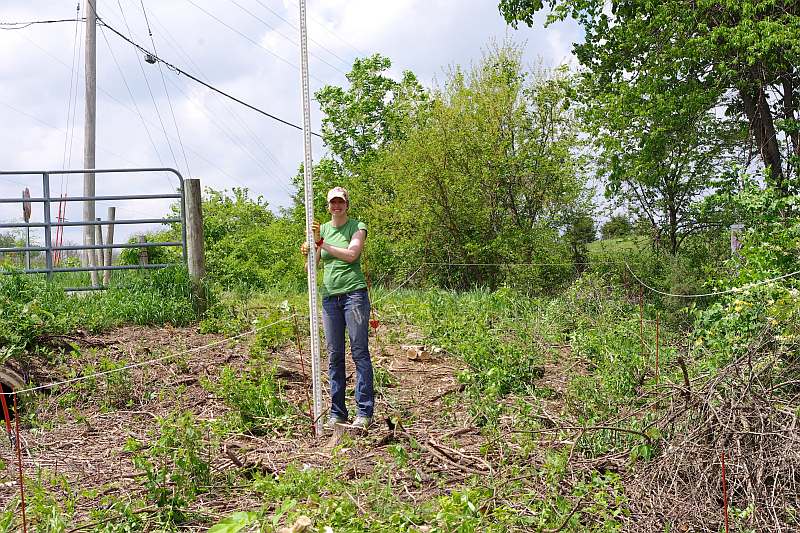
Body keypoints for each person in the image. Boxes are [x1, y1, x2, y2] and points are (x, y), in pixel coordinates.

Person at [300, 186, 374, 430]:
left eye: (340, 202)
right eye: (333, 202)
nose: (336, 206)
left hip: (354, 296)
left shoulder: (357, 226)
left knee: (359, 352)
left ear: (347, 205)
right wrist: (309, 251)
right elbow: (310, 269)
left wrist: (322, 243)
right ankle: (338, 413)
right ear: (328, 206)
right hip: (330, 299)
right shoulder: (320, 230)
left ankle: (364, 411)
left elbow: (352, 254)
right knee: (334, 356)